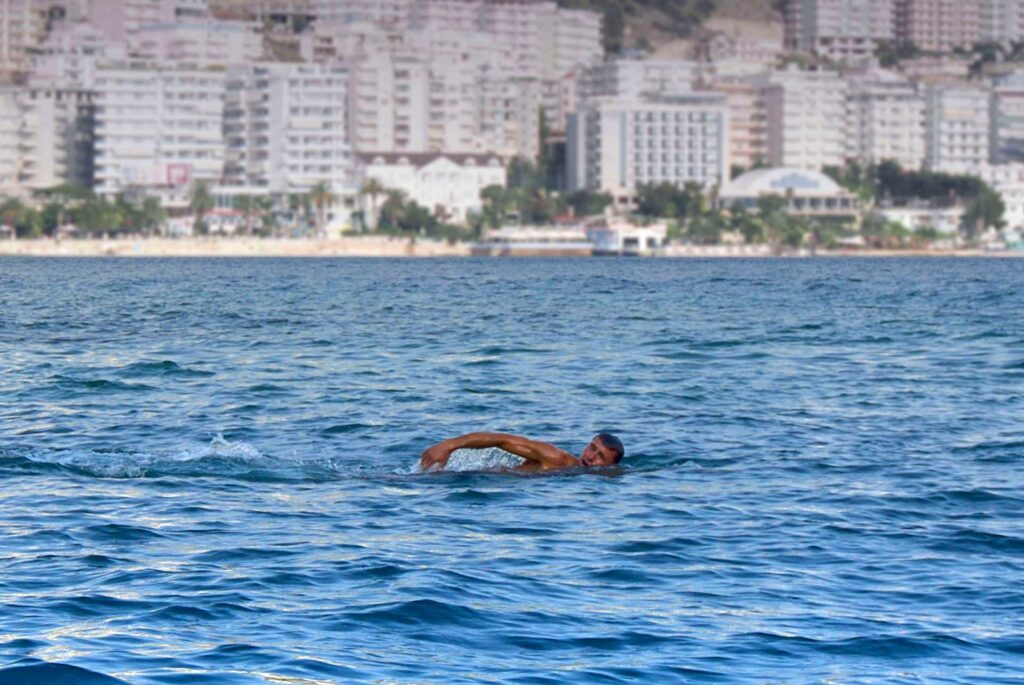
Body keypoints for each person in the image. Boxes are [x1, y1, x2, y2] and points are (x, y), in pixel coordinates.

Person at [419, 432, 625, 473]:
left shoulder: (574, 471)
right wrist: (449, 445)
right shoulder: (560, 459)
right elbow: (504, 440)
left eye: (600, 457)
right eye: (592, 448)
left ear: (610, 468)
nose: (590, 456)